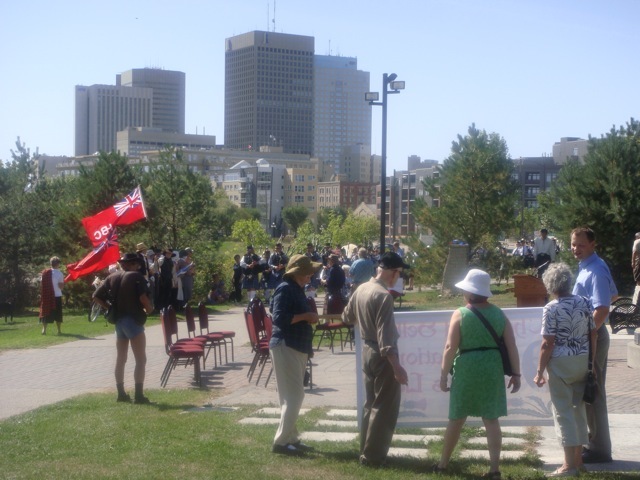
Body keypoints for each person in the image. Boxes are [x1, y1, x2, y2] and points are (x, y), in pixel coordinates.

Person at [434, 269, 521, 478]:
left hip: (467, 367)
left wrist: (444, 375)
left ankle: (443, 464)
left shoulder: (460, 313)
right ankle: (494, 469)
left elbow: (450, 347)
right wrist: (516, 374)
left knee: (457, 417)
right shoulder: (499, 314)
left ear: (469, 292)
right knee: (491, 419)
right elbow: (512, 346)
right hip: (492, 367)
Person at [341, 252, 410, 467]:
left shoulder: (362, 288)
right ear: (392, 272)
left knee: (370, 404)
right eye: (400, 273)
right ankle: (373, 457)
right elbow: (386, 337)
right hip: (381, 354)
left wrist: (364, 318)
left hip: (366, 350)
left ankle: (365, 450)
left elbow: (346, 317)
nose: (399, 277)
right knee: (384, 407)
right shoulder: (383, 295)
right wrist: (396, 366)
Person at [534, 263, 596, 477]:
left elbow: (547, 343)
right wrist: (591, 363)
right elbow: (593, 333)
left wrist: (539, 371)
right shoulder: (584, 302)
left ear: (549, 285)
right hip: (582, 360)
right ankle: (578, 461)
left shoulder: (551, 308)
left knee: (563, 412)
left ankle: (568, 465)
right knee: (578, 410)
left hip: (561, 363)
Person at [570, 227, 618, 464]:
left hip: (593, 336)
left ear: (592, 244)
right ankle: (594, 442)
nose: (576, 249)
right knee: (590, 390)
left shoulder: (595, 270)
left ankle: (599, 449)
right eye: (573, 244)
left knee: (593, 392)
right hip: (591, 335)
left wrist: (588, 334)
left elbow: (603, 308)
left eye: (581, 245)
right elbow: (613, 295)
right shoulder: (588, 266)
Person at [269, 254, 322, 456]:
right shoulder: (285, 288)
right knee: (295, 396)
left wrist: (307, 318)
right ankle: (281, 442)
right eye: (308, 272)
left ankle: (291, 438)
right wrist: (306, 316)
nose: (311, 275)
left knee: (290, 396)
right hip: (286, 345)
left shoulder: (296, 289)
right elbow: (279, 318)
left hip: (296, 346)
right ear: (297, 272)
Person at [93, 253, 154, 404]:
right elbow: (143, 298)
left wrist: (109, 307)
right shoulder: (137, 277)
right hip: (133, 319)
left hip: (119, 321)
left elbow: (96, 296)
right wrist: (150, 309)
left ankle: (121, 393)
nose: (138, 266)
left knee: (121, 359)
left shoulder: (111, 277)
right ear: (133, 264)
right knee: (141, 359)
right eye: (137, 264)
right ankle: (139, 395)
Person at [39, 256, 64, 335]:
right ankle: (59, 330)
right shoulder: (59, 273)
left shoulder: (45, 273)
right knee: (58, 314)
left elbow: (41, 284)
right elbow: (61, 286)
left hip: (47, 296)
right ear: (58, 264)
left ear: (51, 263)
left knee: (46, 313)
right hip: (57, 296)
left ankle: (44, 330)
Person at [632, 232, 640, 304]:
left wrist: (633, 262)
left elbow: (634, 252)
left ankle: (636, 303)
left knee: (638, 282)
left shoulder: (637, 241)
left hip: (639, 263)